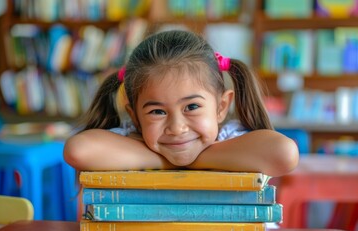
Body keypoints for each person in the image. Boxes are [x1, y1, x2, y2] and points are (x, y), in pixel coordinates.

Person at [64, 30, 298, 177]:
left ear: (221, 106)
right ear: (134, 117)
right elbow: (78, 150)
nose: (177, 128)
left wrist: (190, 159)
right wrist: (172, 159)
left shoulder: (233, 137)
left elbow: (285, 154)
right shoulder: (132, 136)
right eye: (157, 111)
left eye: (192, 107)